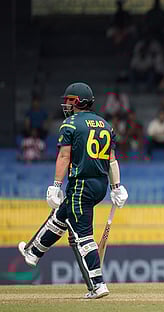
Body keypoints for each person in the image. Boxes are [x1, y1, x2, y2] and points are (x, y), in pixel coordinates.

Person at [17, 83, 129, 299]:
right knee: (61, 216)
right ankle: (33, 252)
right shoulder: (106, 124)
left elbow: (64, 157)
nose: (66, 103)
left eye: (69, 99)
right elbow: (112, 160)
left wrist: (56, 185)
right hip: (100, 185)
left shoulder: (70, 124)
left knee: (82, 236)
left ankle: (97, 284)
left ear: (78, 101)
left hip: (81, 184)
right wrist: (117, 187)